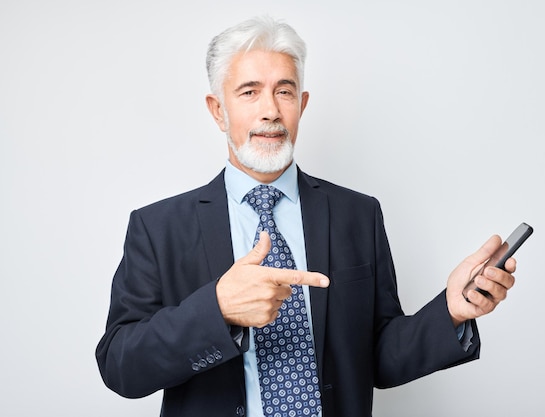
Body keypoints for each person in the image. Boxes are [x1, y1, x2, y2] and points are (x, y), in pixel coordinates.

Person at [96, 16, 516, 417]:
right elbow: (119, 365)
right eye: (249, 92)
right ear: (218, 110)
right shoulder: (158, 228)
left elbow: (378, 356)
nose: (271, 111)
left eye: (284, 91)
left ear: (302, 103)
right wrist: (218, 309)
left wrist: (451, 310)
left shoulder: (358, 214)